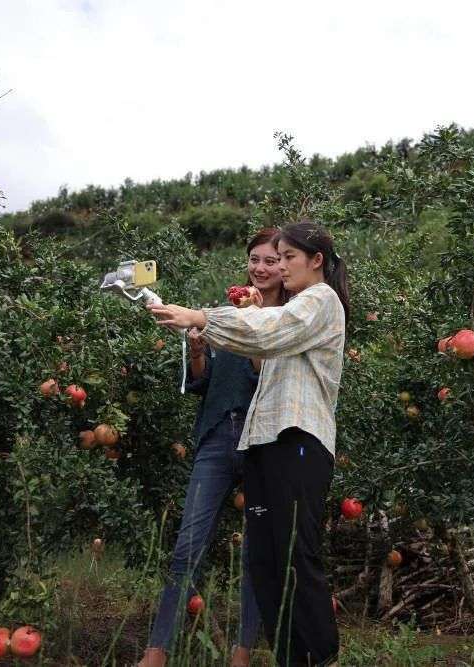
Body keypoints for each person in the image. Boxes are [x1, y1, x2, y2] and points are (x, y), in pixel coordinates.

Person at [147, 220, 348, 667]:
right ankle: (291, 657)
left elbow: (269, 332)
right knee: (268, 562)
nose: (279, 265)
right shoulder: (290, 308)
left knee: (294, 555)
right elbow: (263, 344)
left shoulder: (320, 299)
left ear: (315, 261)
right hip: (264, 443)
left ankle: (318, 657)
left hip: (296, 439)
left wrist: (201, 316)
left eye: (287, 257)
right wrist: (212, 330)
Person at [139, 228, 289, 667]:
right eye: (254, 260)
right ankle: (157, 652)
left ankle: (242, 652)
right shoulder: (228, 312)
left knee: (255, 552)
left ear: (284, 266)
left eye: (269, 261)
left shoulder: (289, 318)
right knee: (189, 543)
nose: (260, 268)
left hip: (263, 439)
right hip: (217, 435)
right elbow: (203, 384)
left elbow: (274, 380)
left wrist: (255, 324)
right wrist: (199, 351)